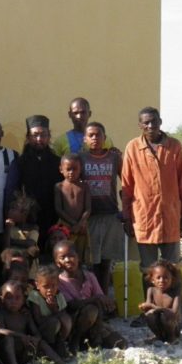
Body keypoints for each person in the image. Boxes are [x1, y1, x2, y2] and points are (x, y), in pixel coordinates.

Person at [121, 107, 182, 328]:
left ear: (160, 121)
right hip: (143, 218)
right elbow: (126, 186)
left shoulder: (174, 147)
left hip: (171, 216)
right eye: (146, 123)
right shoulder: (133, 148)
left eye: (154, 122)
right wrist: (126, 218)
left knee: (173, 268)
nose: (151, 126)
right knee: (147, 269)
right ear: (140, 125)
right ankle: (148, 313)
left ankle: (179, 313)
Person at [54, 240, 126, 352]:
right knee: (91, 309)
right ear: (57, 262)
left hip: (94, 321)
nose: (67, 260)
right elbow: (71, 305)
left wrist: (106, 303)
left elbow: (100, 297)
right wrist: (96, 299)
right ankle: (76, 340)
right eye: (63, 258)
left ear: (78, 257)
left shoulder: (89, 276)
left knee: (121, 343)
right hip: (74, 322)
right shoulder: (59, 282)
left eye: (71, 256)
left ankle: (95, 336)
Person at [80, 122, 124, 294]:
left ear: (105, 138)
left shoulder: (113, 157)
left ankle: (104, 298)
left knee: (106, 262)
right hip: (90, 216)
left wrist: (126, 209)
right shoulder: (81, 158)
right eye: (91, 135)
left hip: (110, 214)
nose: (95, 138)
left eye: (98, 135)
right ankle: (93, 299)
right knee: (91, 263)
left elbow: (126, 182)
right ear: (85, 139)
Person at [0, 280, 66, 364]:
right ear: (1, 299)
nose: (13, 302)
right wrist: (21, 336)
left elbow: (36, 332)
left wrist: (34, 339)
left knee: (41, 342)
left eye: (17, 298)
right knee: (9, 340)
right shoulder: (1, 315)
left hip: (25, 353)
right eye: (9, 298)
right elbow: (0, 330)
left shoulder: (25, 315)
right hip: (8, 356)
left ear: (23, 300)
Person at [17, 115, 62, 252]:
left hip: (53, 216)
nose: (39, 139)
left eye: (43, 135)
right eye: (35, 135)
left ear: (49, 137)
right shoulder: (20, 162)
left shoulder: (57, 162)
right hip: (28, 218)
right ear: (28, 137)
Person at [54, 153, 91, 265]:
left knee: (80, 256)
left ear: (80, 169)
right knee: (64, 254)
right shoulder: (59, 186)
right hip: (65, 227)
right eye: (68, 169)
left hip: (82, 227)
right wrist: (73, 224)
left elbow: (88, 208)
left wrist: (80, 224)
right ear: (61, 169)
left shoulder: (84, 186)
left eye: (75, 169)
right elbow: (58, 208)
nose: (71, 172)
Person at [28, 264, 72, 358]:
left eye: (53, 286)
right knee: (54, 322)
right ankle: (49, 347)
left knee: (66, 319)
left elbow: (64, 315)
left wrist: (54, 308)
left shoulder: (59, 296)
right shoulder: (35, 296)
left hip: (58, 332)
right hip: (42, 331)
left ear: (58, 284)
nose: (50, 290)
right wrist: (54, 315)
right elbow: (38, 320)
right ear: (37, 285)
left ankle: (61, 342)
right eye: (46, 286)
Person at [138, 259, 182, 343]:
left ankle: (171, 338)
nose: (161, 281)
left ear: (172, 279)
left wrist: (153, 307)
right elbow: (148, 307)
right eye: (158, 278)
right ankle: (158, 336)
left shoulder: (175, 293)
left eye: (166, 278)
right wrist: (144, 307)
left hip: (173, 327)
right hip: (159, 324)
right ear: (152, 280)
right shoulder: (151, 290)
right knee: (149, 315)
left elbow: (173, 312)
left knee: (164, 315)